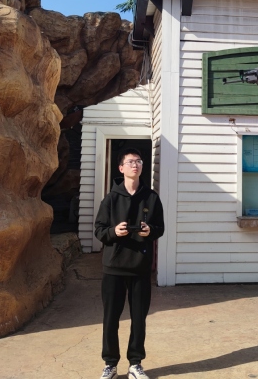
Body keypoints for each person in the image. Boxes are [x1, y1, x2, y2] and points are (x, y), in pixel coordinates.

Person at [95, 148, 164, 379]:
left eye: (139, 161)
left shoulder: (151, 198)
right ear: (121, 168)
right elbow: (99, 230)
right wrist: (114, 232)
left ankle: (135, 364)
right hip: (113, 267)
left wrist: (149, 230)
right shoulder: (110, 199)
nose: (135, 165)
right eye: (131, 162)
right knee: (110, 319)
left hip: (140, 267)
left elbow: (160, 228)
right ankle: (110, 364)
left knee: (139, 319)